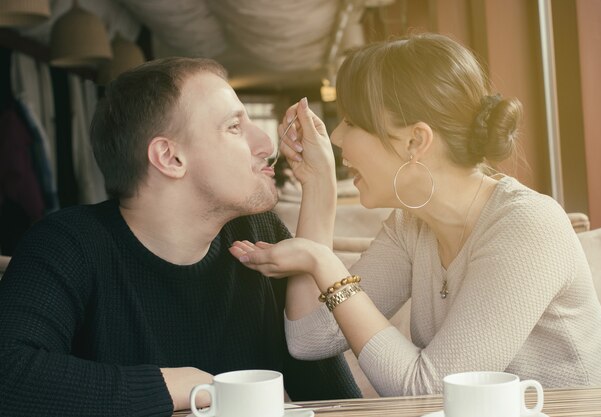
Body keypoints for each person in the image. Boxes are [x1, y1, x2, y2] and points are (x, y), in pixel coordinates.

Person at [230, 33, 601, 396]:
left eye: (351, 122)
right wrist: (318, 187)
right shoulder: (411, 225)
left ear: (415, 141)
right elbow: (308, 339)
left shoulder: (529, 227)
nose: (336, 137)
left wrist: (325, 263)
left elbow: (432, 391)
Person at [0, 57, 361, 416]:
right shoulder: (68, 245)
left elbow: (334, 399)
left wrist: (320, 186)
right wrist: (181, 387)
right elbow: (9, 377)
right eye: (234, 127)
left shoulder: (259, 233)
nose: (265, 143)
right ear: (170, 158)